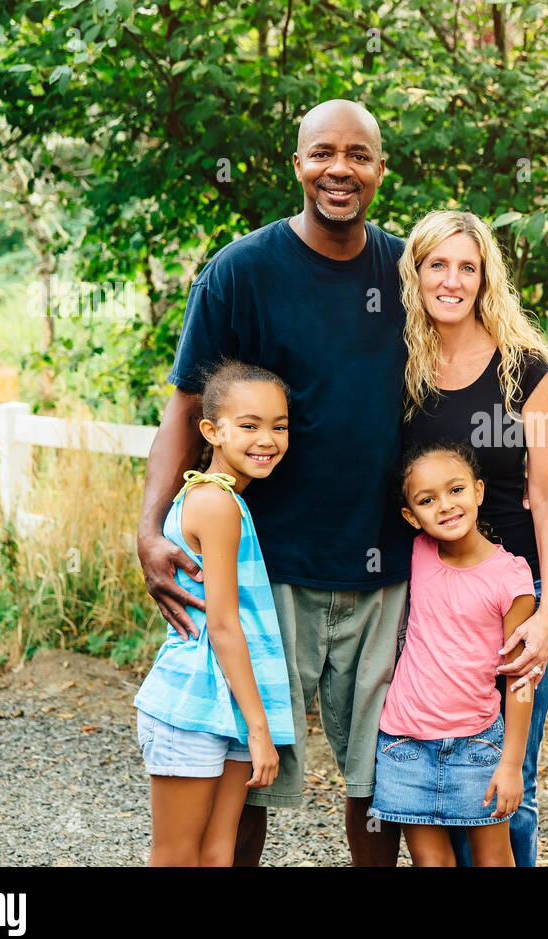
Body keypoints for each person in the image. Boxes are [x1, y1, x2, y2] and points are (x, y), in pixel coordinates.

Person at [136, 99, 411, 866]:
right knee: (248, 778)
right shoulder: (241, 272)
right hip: (266, 571)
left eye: (360, 154)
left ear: (379, 169)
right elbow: (188, 405)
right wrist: (151, 529)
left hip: (383, 566)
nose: (341, 169)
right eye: (324, 152)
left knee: (378, 784)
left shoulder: (406, 272)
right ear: (298, 164)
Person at [398, 209, 548, 866]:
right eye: (438, 264)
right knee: (439, 777)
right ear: (416, 274)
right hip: (432, 605)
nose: (452, 280)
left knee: (508, 782)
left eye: (467, 266)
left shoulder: (529, 371)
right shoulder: (400, 368)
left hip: (515, 602)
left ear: (485, 277)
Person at [132, 359, 297, 866]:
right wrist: (261, 729)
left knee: (218, 853)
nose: (266, 438)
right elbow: (223, 627)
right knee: (179, 855)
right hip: (194, 703)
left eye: (279, 426)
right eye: (248, 426)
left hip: (227, 703)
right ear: (212, 431)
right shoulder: (216, 504)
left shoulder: (229, 502)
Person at [368, 440, 538, 866]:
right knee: (432, 862)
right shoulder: (415, 554)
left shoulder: (511, 578)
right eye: (428, 499)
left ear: (479, 491)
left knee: (493, 860)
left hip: (477, 745)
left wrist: (512, 763)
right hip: (404, 744)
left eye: (456, 490)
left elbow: (518, 676)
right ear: (411, 516)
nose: (445, 505)